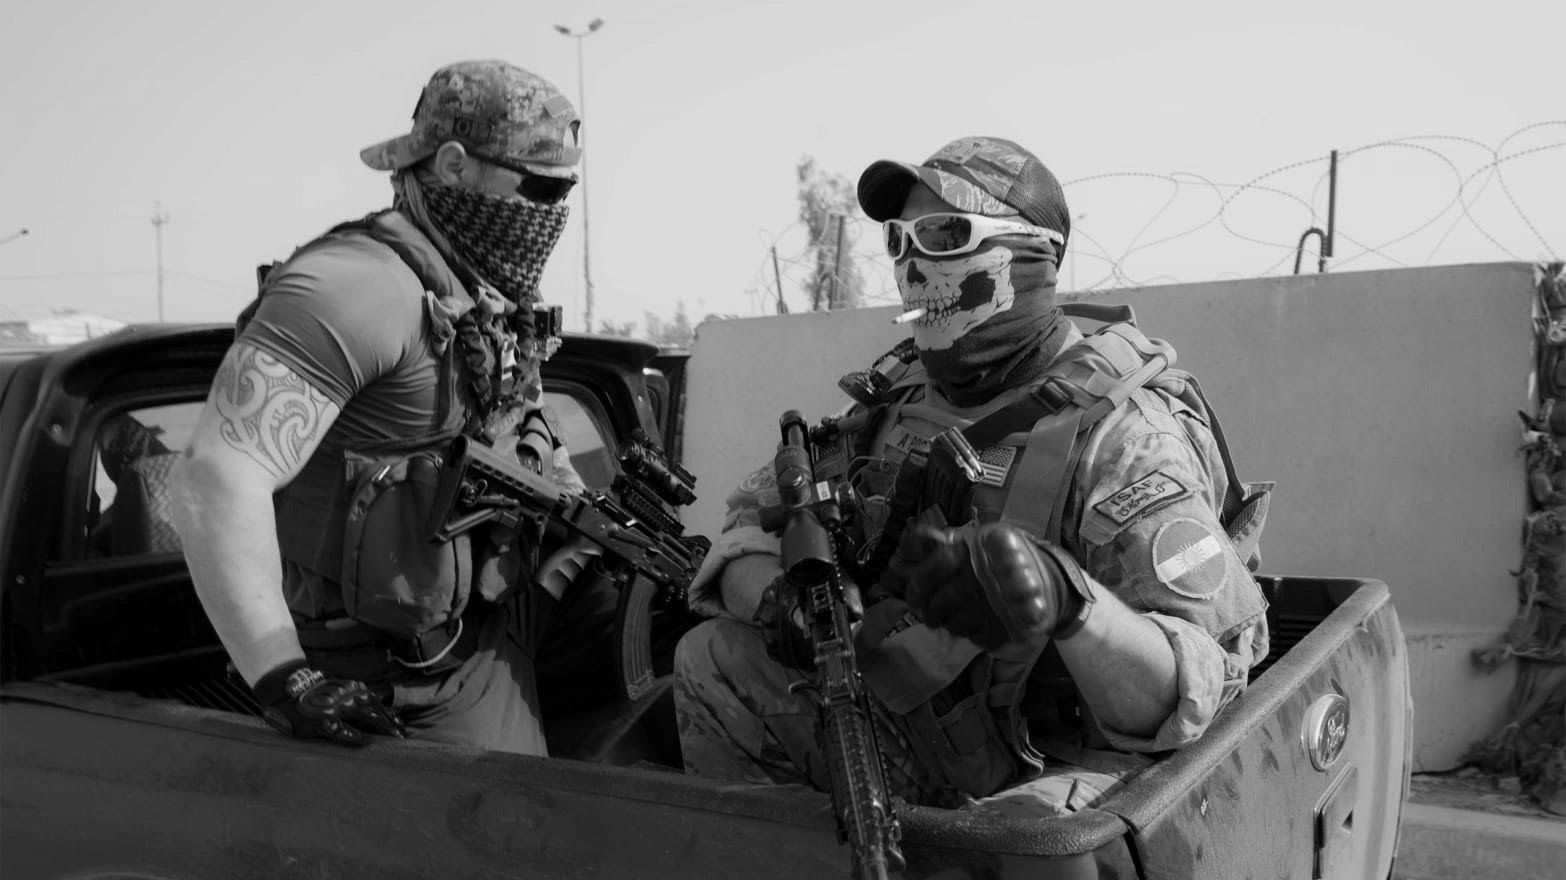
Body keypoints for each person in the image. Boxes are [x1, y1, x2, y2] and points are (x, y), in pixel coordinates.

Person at [673, 136, 1273, 817]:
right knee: (710, 656)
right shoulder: (890, 404)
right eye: (900, 240)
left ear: (1032, 252)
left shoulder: (1124, 436)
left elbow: (1193, 693)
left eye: (944, 234)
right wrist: (783, 601)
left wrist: (1070, 602)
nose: (913, 263)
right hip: (904, 723)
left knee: (1025, 834)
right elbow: (745, 533)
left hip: (1054, 764)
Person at [170, 60, 608, 755]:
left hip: (490, 620)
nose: (552, 212)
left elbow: (515, 426)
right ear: (455, 165)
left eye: (564, 190)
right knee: (505, 818)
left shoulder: (476, 292)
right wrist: (284, 677)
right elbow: (213, 479)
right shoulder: (354, 288)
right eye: (541, 188)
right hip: (395, 674)